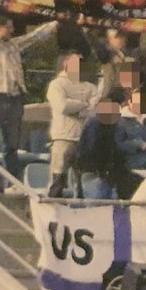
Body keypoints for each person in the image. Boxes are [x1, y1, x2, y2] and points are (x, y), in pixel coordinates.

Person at [0, 15, 57, 185]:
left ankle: (12, 182)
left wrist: (56, 22)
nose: (12, 30)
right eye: (9, 27)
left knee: (12, 144)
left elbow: (34, 37)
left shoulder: (14, 44)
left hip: (15, 98)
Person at [47, 51, 101, 197]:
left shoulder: (90, 86)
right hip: (63, 137)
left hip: (84, 139)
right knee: (58, 175)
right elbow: (62, 106)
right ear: (66, 64)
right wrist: (84, 104)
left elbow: (95, 109)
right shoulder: (56, 84)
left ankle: (81, 209)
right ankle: (54, 207)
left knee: (82, 179)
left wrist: (76, 106)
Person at [77, 94, 139, 199]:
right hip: (95, 173)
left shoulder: (107, 125)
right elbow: (92, 149)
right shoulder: (96, 125)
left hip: (102, 173)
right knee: (99, 207)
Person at [116, 87, 146, 171]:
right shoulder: (120, 121)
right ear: (130, 102)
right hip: (132, 169)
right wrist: (136, 144)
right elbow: (116, 145)